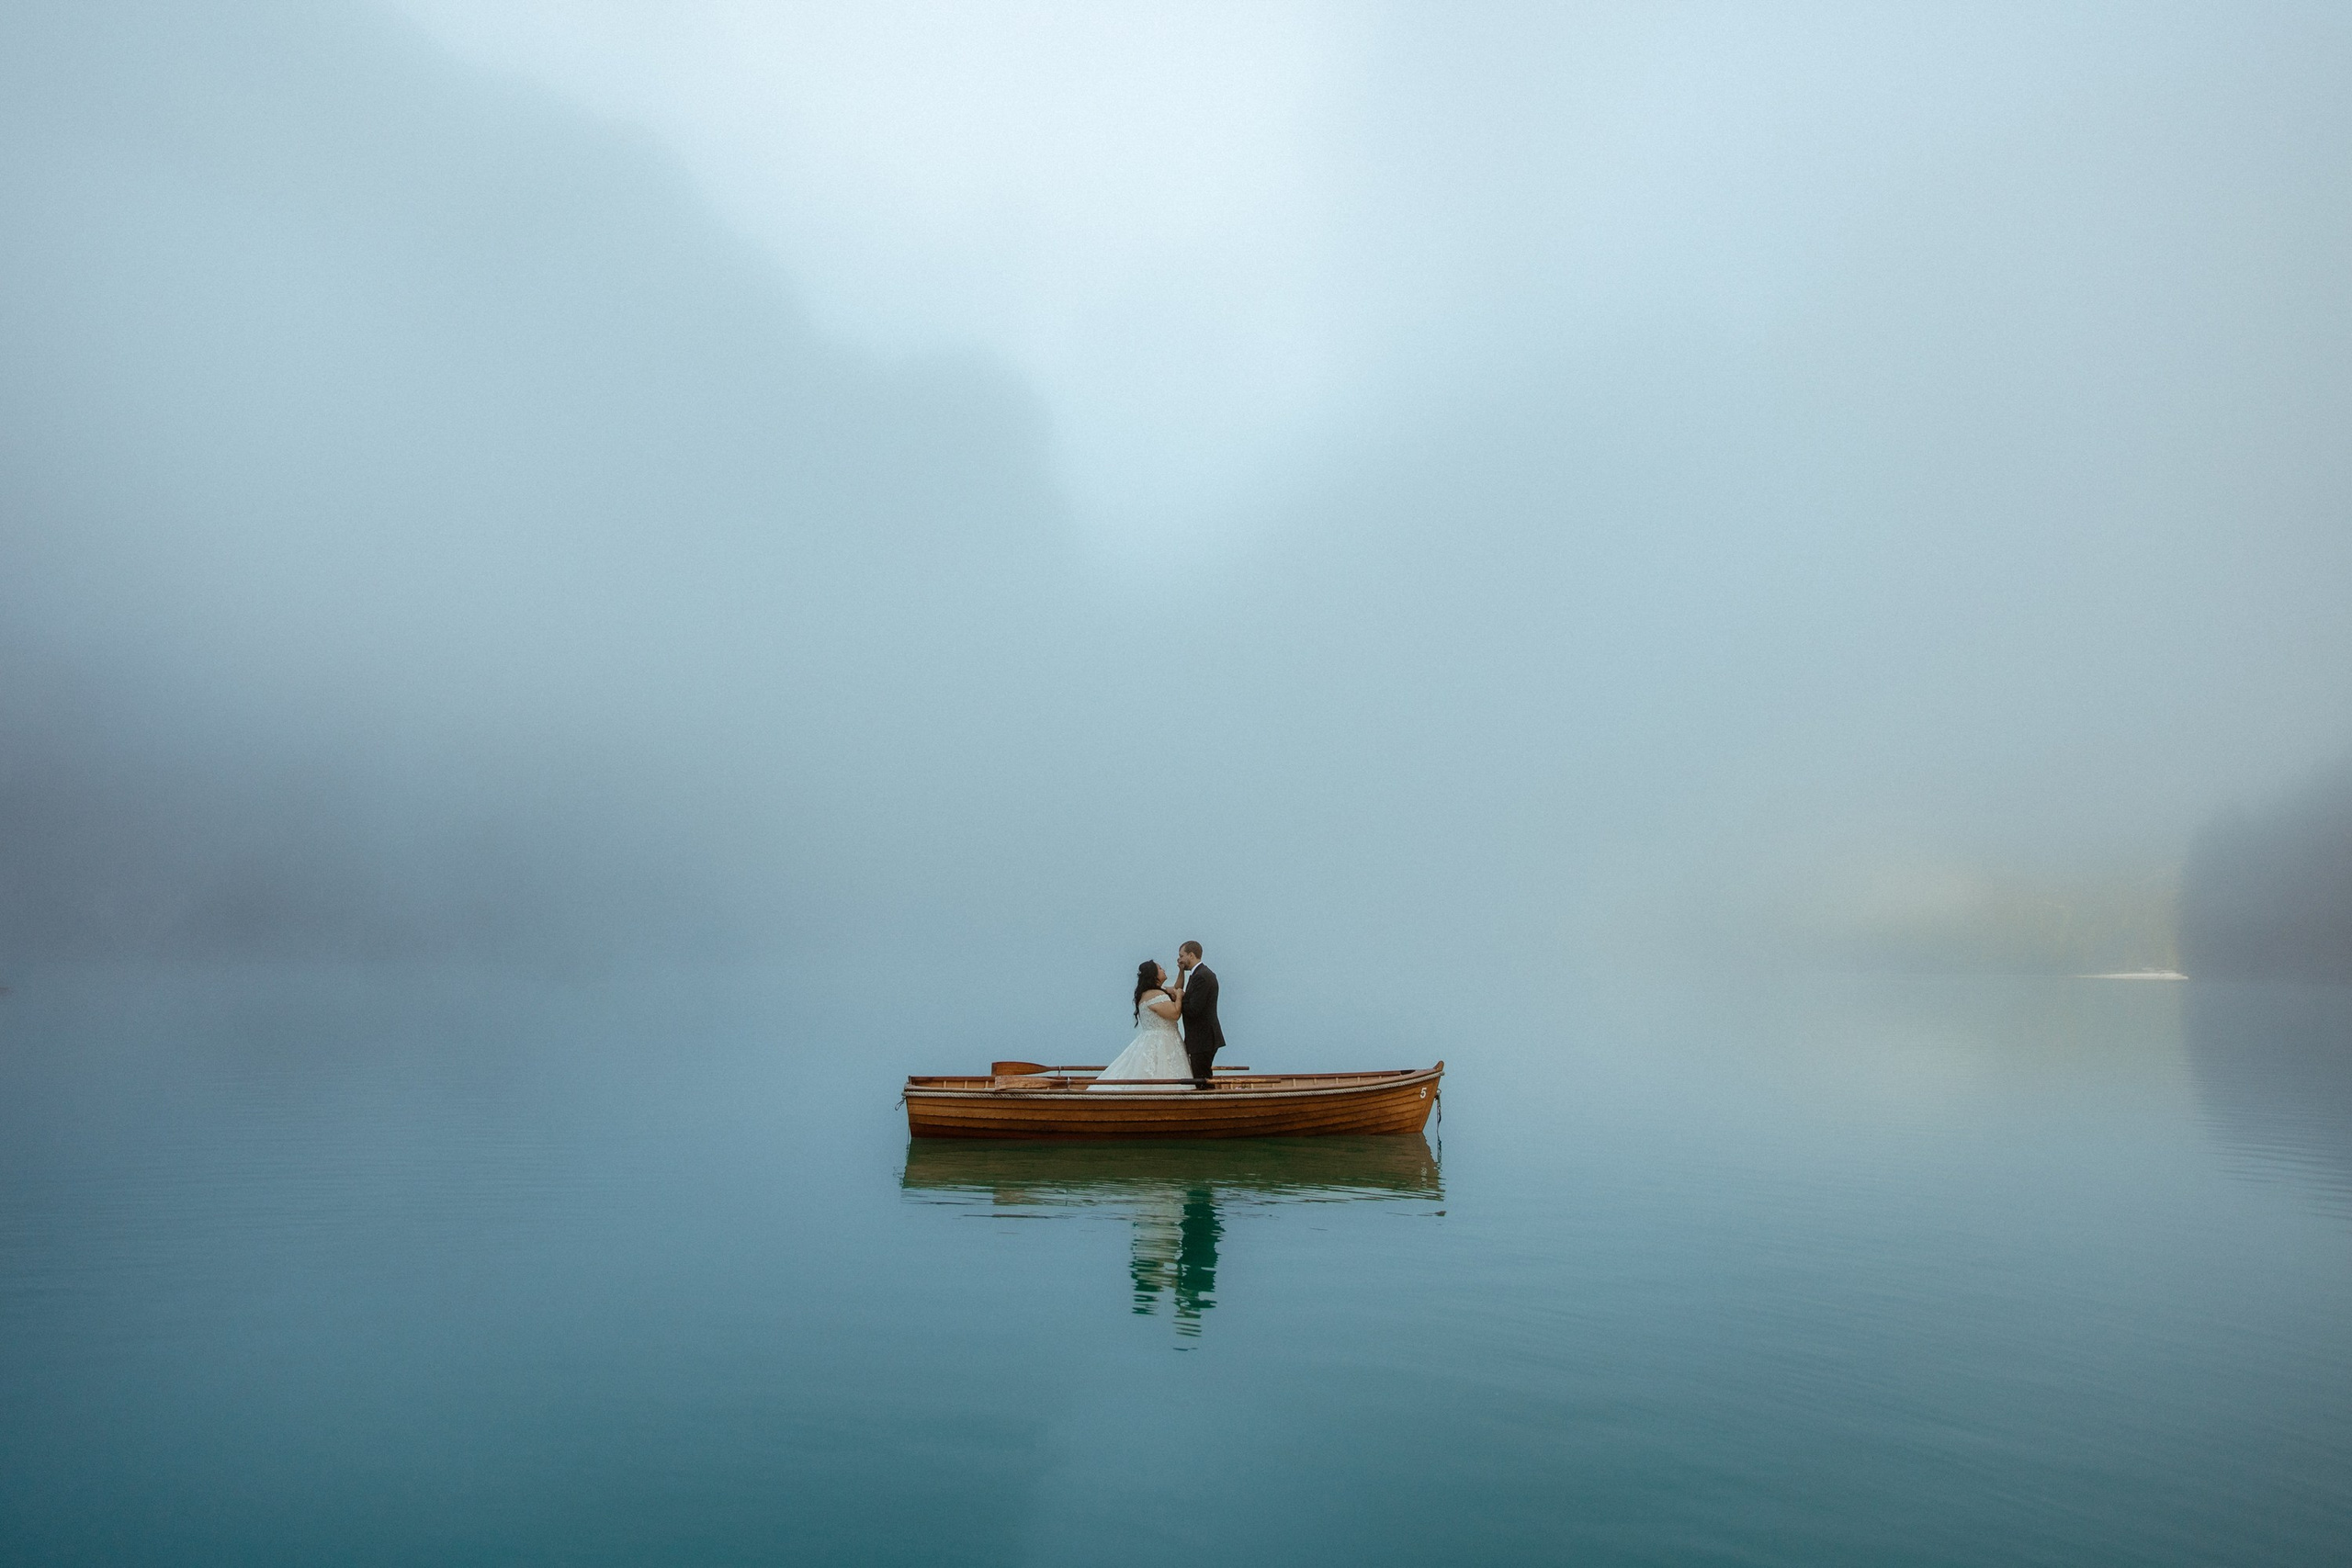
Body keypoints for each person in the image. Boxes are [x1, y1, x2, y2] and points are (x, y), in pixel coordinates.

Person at [1088, 960, 1192, 1091]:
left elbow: (1176, 989)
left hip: (1161, 1038)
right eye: (1160, 968)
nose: (1163, 970)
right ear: (1154, 975)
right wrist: (1180, 998)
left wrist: (1181, 972)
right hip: (1162, 1041)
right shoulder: (1155, 994)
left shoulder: (1157, 992)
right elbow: (1175, 1013)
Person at [1176, 941, 1225, 1089]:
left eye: (1181, 956)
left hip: (1202, 1039)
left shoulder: (1201, 976)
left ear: (1191, 955)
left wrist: (1179, 998)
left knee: (1202, 1080)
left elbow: (1194, 1009)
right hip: (1202, 1039)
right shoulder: (1199, 974)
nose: (1179, 960)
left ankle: (1210, 1107)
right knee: (1202, 1077)